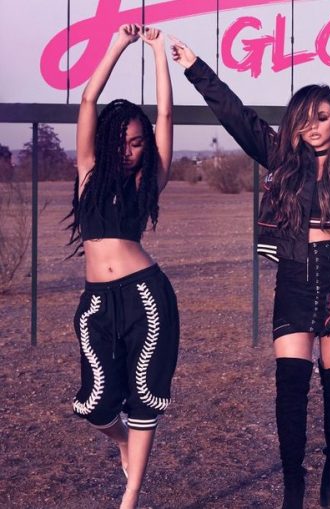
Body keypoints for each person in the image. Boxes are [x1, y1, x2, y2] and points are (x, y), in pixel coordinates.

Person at [170, 38, 330, 509]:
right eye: (306, 118)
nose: (314, 127)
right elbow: (235, 115)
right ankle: (293, 484)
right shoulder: (281, 159)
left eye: (323, 117)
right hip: (295, 280)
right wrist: (195, 67)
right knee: (291, 385)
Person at [65, 24, 178, 509]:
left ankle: (131, 495)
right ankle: (123, 442)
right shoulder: (88, 170)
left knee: (145, 396)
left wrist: (158, 53)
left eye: (137, 143)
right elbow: (88, 101)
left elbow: (166, 114)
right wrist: (119, 44)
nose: (129, 151)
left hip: (146, 296)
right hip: (97, 302)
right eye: (122, 142)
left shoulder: (149, 180)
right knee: (95, 405)